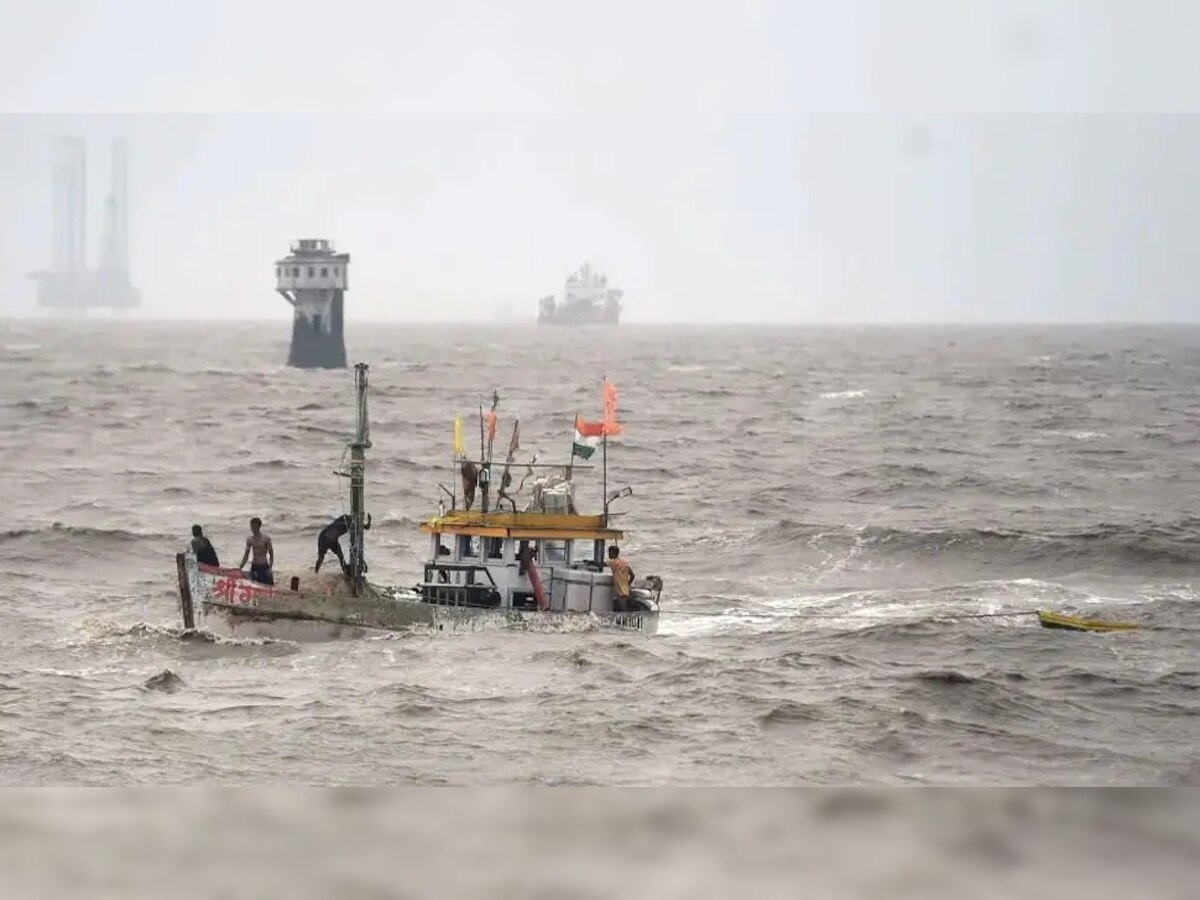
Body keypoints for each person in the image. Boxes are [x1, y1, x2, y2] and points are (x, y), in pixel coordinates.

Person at [238, 517, 274, 585]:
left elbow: (271, 553)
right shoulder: (250, 539)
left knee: (267, 586)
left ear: (258, 526)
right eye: (251, 526)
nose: (252, 529)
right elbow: (246, 555)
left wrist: (270, 567)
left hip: (264, 565)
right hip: (254, 566)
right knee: (254, 585)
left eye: (254, 526)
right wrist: (240, 567)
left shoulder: (266, 539)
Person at [607, 545, 634, 612]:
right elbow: (632, 575)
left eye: (610, 552)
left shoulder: (613, 562)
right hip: (627, 591)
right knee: (626, 610)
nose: (608, 554)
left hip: (620, 593)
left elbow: (600, 564)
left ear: (614, 553)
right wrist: (628, 584)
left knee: (623, 611)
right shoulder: (625, 563)